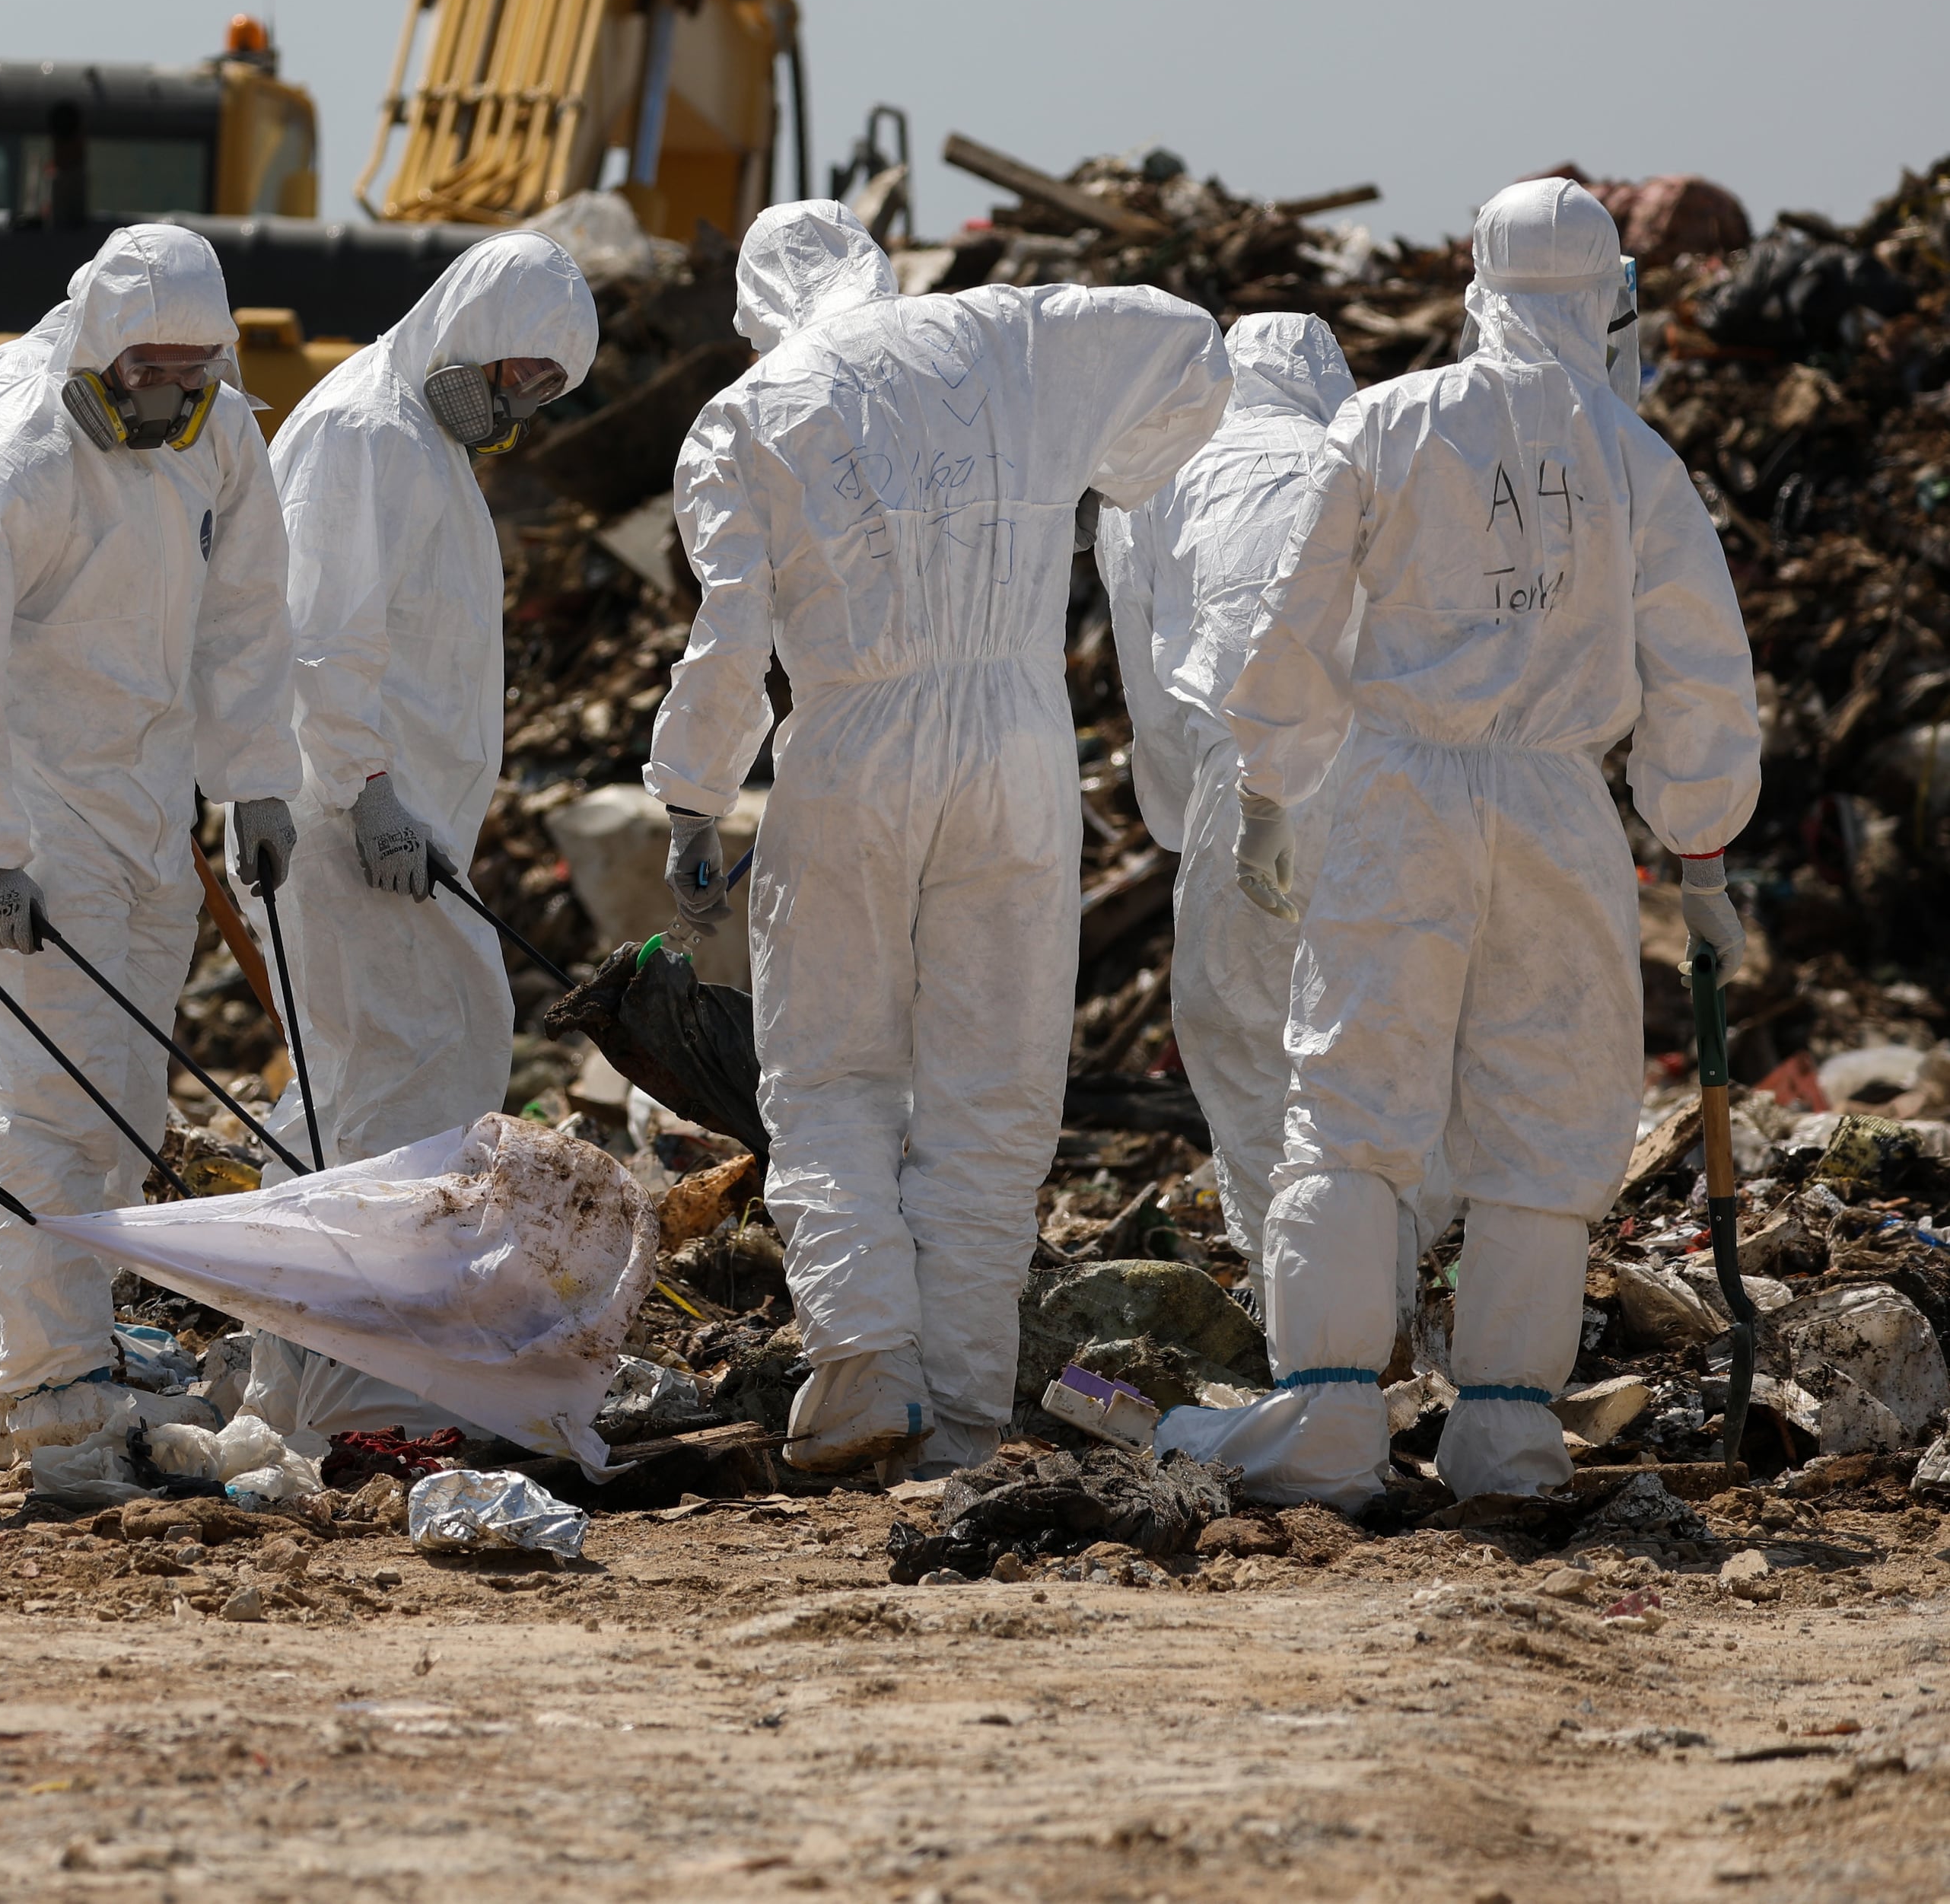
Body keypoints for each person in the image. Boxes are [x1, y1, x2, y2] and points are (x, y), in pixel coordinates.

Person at [1157, 179, 1759, 1509]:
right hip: (1556, 809)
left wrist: (1265, 788)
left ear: (1478, 280)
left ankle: (1325, 1417)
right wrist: (1702, 853)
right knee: (1548, 1114)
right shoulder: (1632, 456)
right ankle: (1507, 1431)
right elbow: (1702, 673)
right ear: (1606, 291)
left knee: (1354, 1100)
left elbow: (1298, 618)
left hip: (1397, 801)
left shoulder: (1386, 420)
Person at [646, 199, 1227, 1477]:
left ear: (763, 305)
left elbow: (731, 631)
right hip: (1019, 740)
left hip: (854, 745)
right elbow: (1192, 345)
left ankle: (863, 1366)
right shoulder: (1001, 336)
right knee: (994, 1085)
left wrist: (695, 790)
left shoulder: (750, 408)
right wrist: (1112, 470)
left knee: (832, 1069)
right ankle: (963, 1416)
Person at [0, 225, 302, 1444]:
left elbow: (245, 615)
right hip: (33, 804)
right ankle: (45, 1381)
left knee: (114, 1093)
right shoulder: (13, 455)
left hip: (149, 799)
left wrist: (257, 779)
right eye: (146, 373)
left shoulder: (219, 435)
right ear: (96, 347)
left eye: (192, 371)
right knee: (53, 1099)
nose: (166, 397)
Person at [246, 229, 598, 1442]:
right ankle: (365, 1383)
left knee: (362, 1090)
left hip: (397, 824)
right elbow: (323, 633)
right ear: (462, 331)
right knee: (409, 1080)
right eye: (513, 375)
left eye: (545, 392)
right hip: (358, 825)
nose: (519, 406)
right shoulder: (367, 433)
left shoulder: (418, 439)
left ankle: (300, 1381)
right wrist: (368, 782)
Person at [1093, 312, 1363, 1250]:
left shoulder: (1155, 476)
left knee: (1246, 1031)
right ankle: (1390, 1277)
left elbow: (1147, 671)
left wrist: (1182, 803)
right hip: (1386, 773)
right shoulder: (1366, 454)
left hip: (1244, 771)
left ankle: (1295, 1297)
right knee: (1375, 1022)